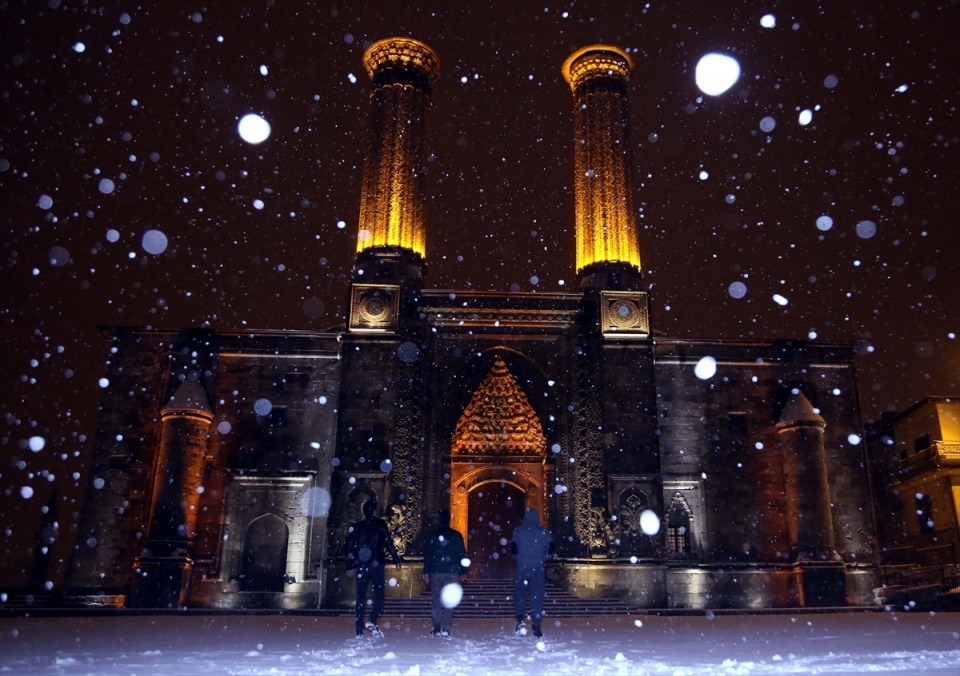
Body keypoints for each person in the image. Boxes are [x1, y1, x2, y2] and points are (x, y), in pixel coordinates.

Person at [345, 500, 402, 638]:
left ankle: (359, 628)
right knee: (379, 594)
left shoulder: (358, 527)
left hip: (361, 565)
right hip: (376, 564)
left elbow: (349, 546)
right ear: (374, 511)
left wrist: (350, 565)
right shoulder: (380, 525)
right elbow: (388, 543)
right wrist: (396, 560)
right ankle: (372, 618)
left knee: (361, 597)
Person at [422, 509, 469, 637]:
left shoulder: (434, 535)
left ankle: (437, 627)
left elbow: (429, 554)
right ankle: (446, 628)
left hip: (436, 571)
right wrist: (464, 571)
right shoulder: (456, 536)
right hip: (452, 572)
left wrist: (426, 571)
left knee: (436, 600)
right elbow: (462, 554)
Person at [510, 507, 553, 638]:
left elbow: (513, 548)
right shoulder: (543, 532)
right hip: (537, 569)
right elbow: (551, 547)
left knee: (520, 595)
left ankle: (520, 619)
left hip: (522, 568)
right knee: (537, 597)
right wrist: (544, 558)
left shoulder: (518, 531)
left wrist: (519, 558)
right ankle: (537, 624)